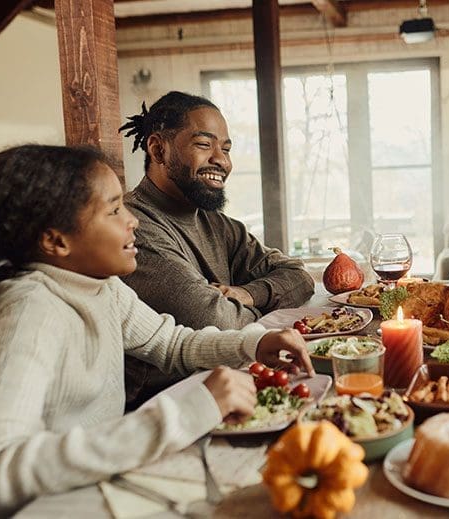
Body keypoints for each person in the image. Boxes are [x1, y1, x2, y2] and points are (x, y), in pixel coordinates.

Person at [0, 144, 313, 518]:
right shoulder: (30, 311)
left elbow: (172, 343)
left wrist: (254, 342)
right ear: (55, 240)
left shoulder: (100, 287)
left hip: (98, 487)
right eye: (113, 210)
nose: (134, 221)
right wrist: (184, 413)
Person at [118, 91, 315, 407]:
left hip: (231, 388)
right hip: (168, 407)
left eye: (225, 149)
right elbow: (217, 322)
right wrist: (256, 311)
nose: (222, 160)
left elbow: (299, 278)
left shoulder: (219, 225)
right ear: (158, 149)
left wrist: (247, 295)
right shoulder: (132, 228)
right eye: (203, 145)